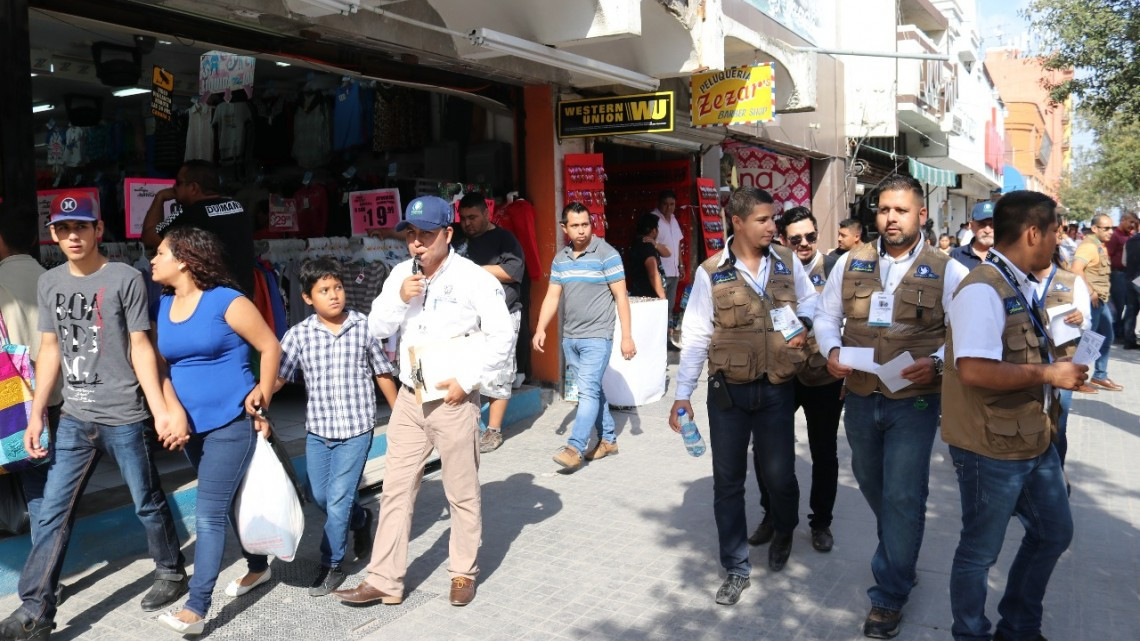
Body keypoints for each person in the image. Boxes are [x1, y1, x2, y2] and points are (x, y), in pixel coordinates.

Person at [0, 193, 187, 641]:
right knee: (52, 512)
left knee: (146, 499)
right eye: (64, 229)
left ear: (99, 230)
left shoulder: (124, 278)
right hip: (76, 418)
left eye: (81, 227)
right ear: (53, 235)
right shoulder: (49, 283)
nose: (73, 236)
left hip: (123, 414)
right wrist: (37, 414)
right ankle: (36, 609)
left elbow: (141, 346)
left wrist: (161, 410)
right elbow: (48, 351)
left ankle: (170, 569)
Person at [334, 196, 514, 608]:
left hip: (452, 399)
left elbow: (501, 337)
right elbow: (376, 328)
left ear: (447, 235)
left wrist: (467, 381)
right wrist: (400, 296)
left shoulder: (474, 278)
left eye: (426, 235)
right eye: (411, 234)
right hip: (411, 398)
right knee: (396, 489)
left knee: (461, 491)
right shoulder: (401, 273)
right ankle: (384, 580)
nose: (416, 244)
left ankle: (462, 572)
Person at [814, 175, 969, 639]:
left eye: (901, 210)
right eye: (884, 210)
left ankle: (889, 594)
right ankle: (901, 549)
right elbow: (826, 315)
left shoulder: (948, 269)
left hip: (915, 401)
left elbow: (965, 333)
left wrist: (938, 364)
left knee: (904, 495)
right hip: (861, 395)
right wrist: (831, 352)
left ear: (922, 215)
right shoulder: (850, 262)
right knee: (870, 479)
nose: (891, 218)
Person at [942, 190, 1085, 641]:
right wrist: (1049, 373)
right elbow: (973, 369)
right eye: (1055, 233)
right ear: (1032, 232)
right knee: (979, 552)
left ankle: (1019, 626)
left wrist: (1063, 371)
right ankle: (971, 633)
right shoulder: (983, 288)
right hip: (991, 448)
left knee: (1053, 532)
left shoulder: (1017, 282)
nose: (1058, 243)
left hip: (1032, 438)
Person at [670, 188, 819, 606]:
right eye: (764, 220)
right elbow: (697, 335)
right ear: (737, 222)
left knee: (779, 474)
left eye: (774, 219)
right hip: (728, 394)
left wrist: (805, 321)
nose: (774, 227)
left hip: (776, 387)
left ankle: (784, 526)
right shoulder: (711, 271)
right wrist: (682, 397)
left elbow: (812, 302)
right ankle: (736, 566)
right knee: (728, 483)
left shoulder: (788, 262)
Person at [150, 226, 282, 635]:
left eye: (159, 253)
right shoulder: (164, 304)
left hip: (230, 422)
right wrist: (173, 412)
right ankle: (258, 566)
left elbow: (270, 346)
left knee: (207, 515)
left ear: (184, 260)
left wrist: (262, 394)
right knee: (225, 503)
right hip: (192, 429)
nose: (152, 261)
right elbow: (164, 366)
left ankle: (196, 607)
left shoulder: (228, 301)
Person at [274, 257, 397, 597]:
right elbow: (279, 377)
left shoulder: (363, 326)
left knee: (339, 498)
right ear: (308, 298)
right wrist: (255, 400)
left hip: (357, 428)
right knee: (320, 497)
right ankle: (361, 520)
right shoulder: (298, 334)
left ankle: (332, 564)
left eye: (338, 288)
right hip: (319, 430)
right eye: (324, 290)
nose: (334, 295)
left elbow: (382, 372)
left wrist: (400, 414)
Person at [748, 207, 840, 554]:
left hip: (822, 376)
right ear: (783, 239)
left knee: (823, 451)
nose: (804, 243)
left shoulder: (834, 269)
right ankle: (772, 515)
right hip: (779, 375)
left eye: (811, 236)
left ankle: (821, 523)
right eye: (796, 238)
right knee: (765, 449)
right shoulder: (770, 268)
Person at [533, 202, 636, 473]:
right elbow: (552, 296)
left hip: (598, 336)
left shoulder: (607, 254)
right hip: (571, 338)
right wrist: (541, 328)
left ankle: (574, 447)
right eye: (575, 225)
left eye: (585, 224)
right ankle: (609, 440)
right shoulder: (560, 259)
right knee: (593, 390)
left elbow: (621, 297)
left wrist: (627, 337)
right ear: (564, 227)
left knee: (587, 391)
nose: (581, 231)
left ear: (592, 224)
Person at [0, 213, 63, 539]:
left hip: (14, 401)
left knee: (36, 486)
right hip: (56, 398)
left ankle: (44, 567)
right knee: (49, 482)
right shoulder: (52, 278)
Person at [456, 193, 527, 453]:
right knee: (470, 371)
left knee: (499, 372)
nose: (467, 223)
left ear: (487, 214)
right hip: (468, 319)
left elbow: (512, 272)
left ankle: (493, 431)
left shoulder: (504, 239)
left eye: (473, 217)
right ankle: (469, 425)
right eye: (463, 219)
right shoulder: (458, 238)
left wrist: (475, 270)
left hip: (503, 315)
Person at [142, 160, 255, 296]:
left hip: (211, 299)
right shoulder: (238, 207)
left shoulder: (190, 213)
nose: (174, 187)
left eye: (178, 183)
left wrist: (159, 198)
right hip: (243, 295)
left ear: (194, 188)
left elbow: (149, 236)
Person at [1034, 247, 1093, 469]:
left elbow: (1087, 322)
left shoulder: (1071, 281)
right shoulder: (1019, 278)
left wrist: (1080, 320)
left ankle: (1057, 476)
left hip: (1063, 363)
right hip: (1027, 363)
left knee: (1058, 425)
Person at [1070, 214, 1122, 391]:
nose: (1110, 232)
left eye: (1112, 228)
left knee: (1106, 337)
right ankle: (1076, 377)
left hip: (1101, 300)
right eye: (1105, 228)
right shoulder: (1088, 247)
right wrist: (1090, 291)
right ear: (1094, 229)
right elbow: (1076, 269)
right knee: (1087, 341)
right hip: (1092, 301)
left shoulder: (1099, 246)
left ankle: (1099, 375)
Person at [1105, 212, 1137, 341]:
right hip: (1117, 274)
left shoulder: (1130, 236)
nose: (1132, 225)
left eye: (1134, 223)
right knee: (1118, 305)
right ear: (1123, 220)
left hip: (1129, 275)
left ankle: (1121, 331)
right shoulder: (1115, 236)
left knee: (1130, 305)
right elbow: (1108, 255)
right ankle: (1114, 333)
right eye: (1130, 222)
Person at [652, 190, 682, 317]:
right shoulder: (654, 219)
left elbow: (677, 243)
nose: (669, 207)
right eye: (665, 204)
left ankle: (667, 335)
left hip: (674, 271)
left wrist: (681, 265)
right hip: (661, 272)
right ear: (659, 204)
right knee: (659, 307)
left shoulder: (674, 219)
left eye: (672, 204)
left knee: (670, 307)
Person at [624, 213, 667, 299]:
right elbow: (653, 274)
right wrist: (662, 297)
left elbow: (668, 253)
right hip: (649, 295)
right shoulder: (647, 245)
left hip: (638, 292)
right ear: (654, 230)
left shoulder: (636, 243)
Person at [950, 202, 995, 270]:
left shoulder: (1008, 256)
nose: (987, 231)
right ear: (971, 226)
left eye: (993, 225)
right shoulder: (957, 255)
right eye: (982, 224)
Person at [1123, 228, 1140, 349]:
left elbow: (1124, 262)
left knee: (1131, 311)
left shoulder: (1129, 241)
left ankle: (1128, 340)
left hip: (1130, 278)